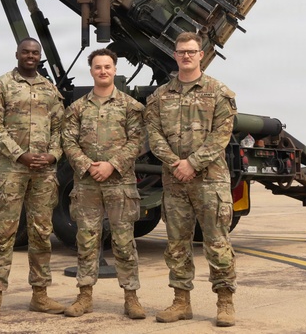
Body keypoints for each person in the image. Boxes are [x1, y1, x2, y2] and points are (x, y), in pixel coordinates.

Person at [144, 31, 238, 327]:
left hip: (210, 181)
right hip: (175, 182)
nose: (186, 55)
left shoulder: (219, 92)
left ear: (201, 55)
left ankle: (225, 302)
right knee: (176, 244)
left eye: (191, 51)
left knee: (217, 242)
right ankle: (181, 302)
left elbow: (221, 136)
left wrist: (193, 163)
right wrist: (175, 163)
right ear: (175, 55)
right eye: (181, 51)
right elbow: (154, 135)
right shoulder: (160, 96)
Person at [0, 37, 67, 320]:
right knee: (4, 233)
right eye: (26, 52)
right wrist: (19, 155)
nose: (30, 56)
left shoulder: (50, 90)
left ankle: (40, 295)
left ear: (39, 57)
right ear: (17, 54)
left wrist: (53, 155)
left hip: (43, 172)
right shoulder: (0, 86)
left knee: (41, 233)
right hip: (11, 170)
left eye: (34, 53)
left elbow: (59, 128)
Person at [60, 48, 146, 319]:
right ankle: (84, 296)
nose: (103, 71)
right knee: (86, 239)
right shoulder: (77, 108)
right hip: (86, 184)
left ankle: (131, 298)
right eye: (98, 67)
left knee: (123, 241)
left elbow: (138, 141)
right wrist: (87, 165)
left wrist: (112, 164)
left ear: (115, 69)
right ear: (91, 71)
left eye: (108, 66)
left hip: (120, 182)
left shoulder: (131, 106)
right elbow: (68, 141)